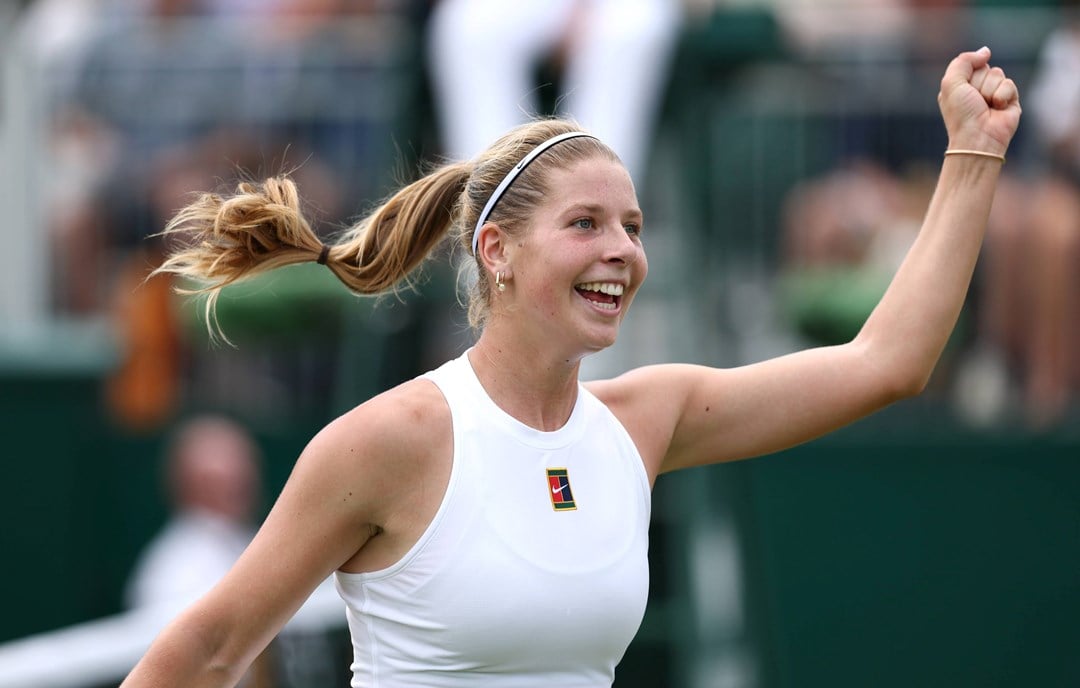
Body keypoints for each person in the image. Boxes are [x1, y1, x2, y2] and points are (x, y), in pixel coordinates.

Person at [120, 47, 1020, 687]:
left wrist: (973, 152)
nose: (621, 250)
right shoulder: (392, 439)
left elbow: (888, 362)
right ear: (498, 250)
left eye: (633, 226)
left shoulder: (648, 419)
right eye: (586, 224)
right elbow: (202, 654)